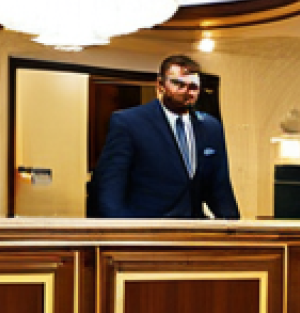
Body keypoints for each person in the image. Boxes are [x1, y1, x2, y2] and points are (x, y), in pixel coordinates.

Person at [92, 54, 240, 219]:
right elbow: (110, 188)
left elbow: (220, 187)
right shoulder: (129, 122)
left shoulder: (210, 127)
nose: (186, 92)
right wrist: (120, 234)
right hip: (147, 228)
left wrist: (234, 231)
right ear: (161, 85)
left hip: (194, 229)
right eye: (178, 84)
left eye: (193, 87)